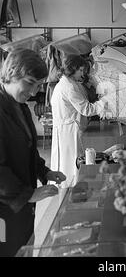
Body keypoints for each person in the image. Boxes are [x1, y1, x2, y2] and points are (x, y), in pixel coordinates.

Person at [0, 48, 66, 257]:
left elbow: (28, 149)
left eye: (38, 86)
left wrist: (44, 172)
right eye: (29, 83)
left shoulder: (21, 107)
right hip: (5, 209)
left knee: (24, 247)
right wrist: (28, 194)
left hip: (22, 208)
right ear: (12, 72)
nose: (33, 92)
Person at [50, 54, 111, 184]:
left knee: (71, 164)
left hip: (69, 127)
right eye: (81, 70)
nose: (83, 74)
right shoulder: (69, 87)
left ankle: (72, 189)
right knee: (71, 166)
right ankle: (70, 193)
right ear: (72, 68)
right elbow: (86, 109)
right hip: (68, 130)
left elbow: (84, 101)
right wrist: (105, 101)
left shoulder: (71, 83)